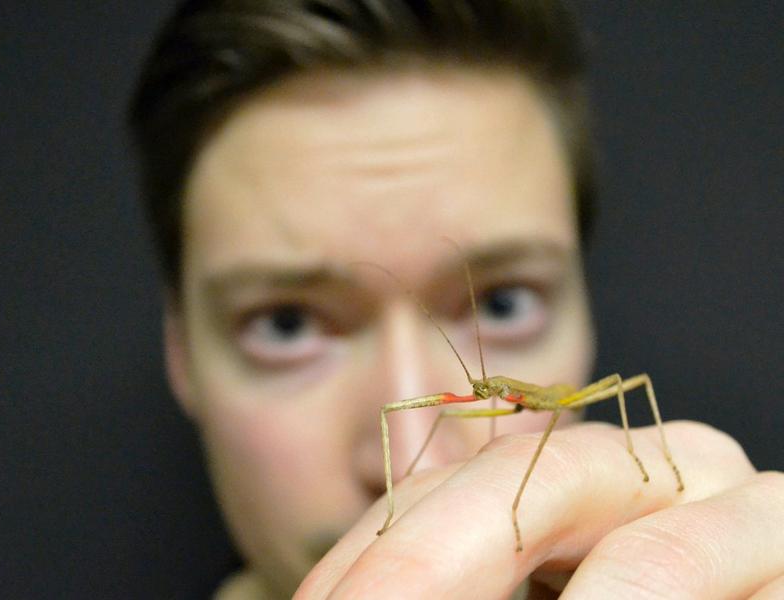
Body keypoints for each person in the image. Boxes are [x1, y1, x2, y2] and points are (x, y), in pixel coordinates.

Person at [129, 1, 784, 598]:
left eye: (502, 302)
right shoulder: (471, 399)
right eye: (287, 322)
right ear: (181, 354)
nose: (422, 456)